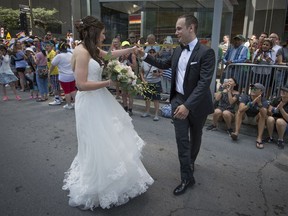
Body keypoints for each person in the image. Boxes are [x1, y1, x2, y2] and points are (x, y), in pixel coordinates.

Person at [62, 16, 153, 210]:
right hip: (89, 102)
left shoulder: (91, 49)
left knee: (110, 137)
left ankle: (115, 178)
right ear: (94, 32)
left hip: (100, 99)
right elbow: (81, 84)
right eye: (102, 33)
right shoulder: (82, 52)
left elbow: (110, 56)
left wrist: (130, 50)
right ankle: (97, 184)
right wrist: (109, 83)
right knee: (96, 141)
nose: (104, 36)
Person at [138, 13, 215, 195]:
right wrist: (144, 56)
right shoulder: (178, 50)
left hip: (197, 104)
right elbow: (163, 64)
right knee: (182, 140)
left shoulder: (206, 53)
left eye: (179, 28)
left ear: (191, 28)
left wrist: (188, 106)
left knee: (195, 138)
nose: (176, 32)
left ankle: (190, 163)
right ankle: (186, 177)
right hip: (178, 100)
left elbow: (204, 83)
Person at [230, 83, 268, 149]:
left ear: (261, 92)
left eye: (255, 89)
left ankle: (259, 138)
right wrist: (251, 103)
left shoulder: (264, 100)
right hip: (245, 118)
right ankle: (236, 132)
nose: (253, 90)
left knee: (262, 115)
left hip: (255, 120)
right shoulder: (245, 96)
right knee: (239, 112)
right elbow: (241, 109)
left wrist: (259, 103)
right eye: (252, 88)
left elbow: (264, 115)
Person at [49, 41, 76, 110]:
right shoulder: (70, 54)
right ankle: (76, 104)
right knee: (72, 90)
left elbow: (52, 65)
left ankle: (69, 105)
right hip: (72, 75)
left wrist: (49, 73)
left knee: (67, 91)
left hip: (64, 77)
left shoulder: (59, 56)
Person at [140, 47, 162, 121]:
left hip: (156, 82)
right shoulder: (144, 62)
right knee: (147, 98)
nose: (152, 54)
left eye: (153, 52)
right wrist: (143, 79)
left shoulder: (158, 61)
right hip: (147, 82)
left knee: (156, 99)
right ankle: (147, 112)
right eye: (150, 52)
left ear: (155, 53)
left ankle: (156, 114)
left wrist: (158, 74)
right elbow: (141, 72)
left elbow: (162, 72)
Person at [265, 84, 288, 149]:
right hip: (275, 123)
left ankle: (280, 140)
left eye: (285, 91)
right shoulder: (277, 99)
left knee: (280, 121)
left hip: (285, 126)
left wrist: (281, 109)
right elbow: (269, 111)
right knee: (269, 118)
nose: (282, 91)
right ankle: (270, 137)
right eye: (282, 90)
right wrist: (275, 110)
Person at [119, 40, 137, 116]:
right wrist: (123, 59)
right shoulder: (121, 55)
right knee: (123, 93)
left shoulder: (132, 55)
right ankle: (125, 107)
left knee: (130, 94)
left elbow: (134, 66)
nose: (125, 47)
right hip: (123, 76)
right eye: (124, 46)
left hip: (131, 76)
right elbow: (118, 65)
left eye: (127, 46)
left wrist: (128, 62)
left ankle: (130, 109)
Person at [46, 40, 61, 106]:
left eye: (48, 46)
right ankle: (59, 98)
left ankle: (57, 99)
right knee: (56, 86)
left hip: (54, 72)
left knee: (55, 86)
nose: (46, 47)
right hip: (53, 72)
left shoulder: (52, 53)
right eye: (45, 46)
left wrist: (49, 72)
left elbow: (53, 64)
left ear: (52, 47)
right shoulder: (49, 53)